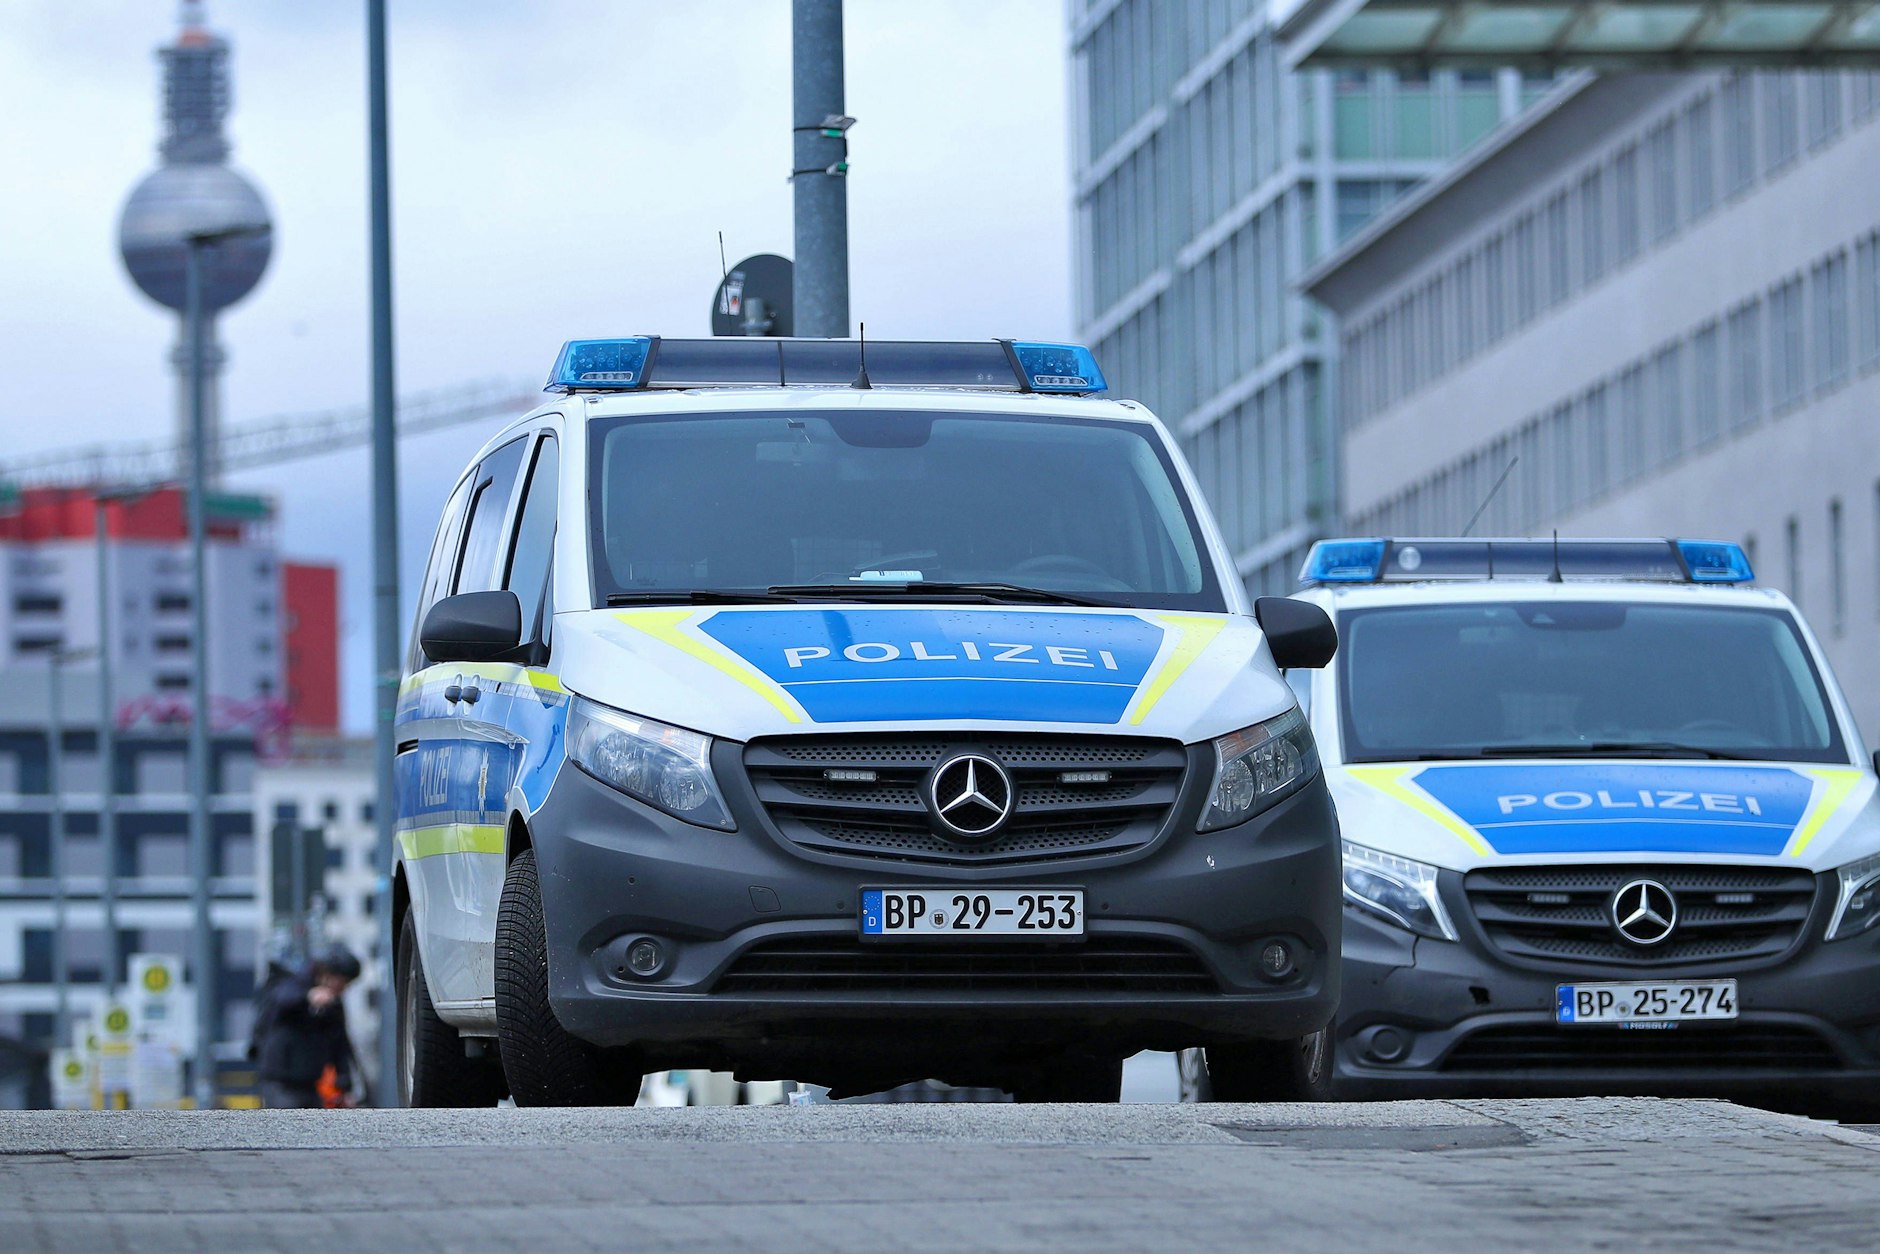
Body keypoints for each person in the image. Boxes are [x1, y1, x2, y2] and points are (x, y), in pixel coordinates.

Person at [253, 944, 361, 1109]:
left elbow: (340, 1045)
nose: (342, 989)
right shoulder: (294, 983)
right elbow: (281, 1000)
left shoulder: (332, 1004)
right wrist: (308, 997)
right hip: (281, 1081)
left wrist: (344, 1085)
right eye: (341, 982)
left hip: (311, 1082)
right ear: (328, 974)